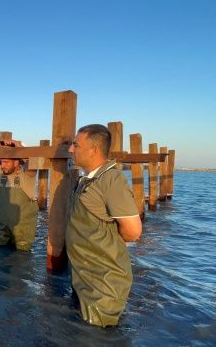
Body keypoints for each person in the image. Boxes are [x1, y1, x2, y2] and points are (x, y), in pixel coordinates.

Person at [66, 124, 143, 327]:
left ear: (94, 150)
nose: (71, 150)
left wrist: (108, 244)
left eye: (76, 145)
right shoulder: (88, 179)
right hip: (84, 279)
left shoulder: (111, 180)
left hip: (102, 287)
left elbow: (133, 231)